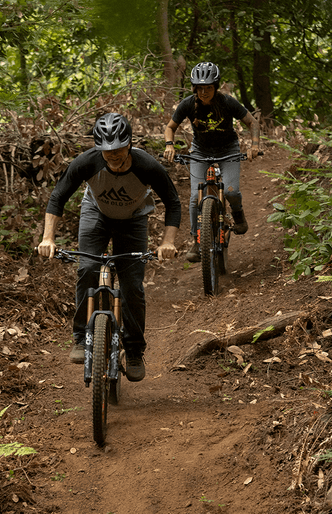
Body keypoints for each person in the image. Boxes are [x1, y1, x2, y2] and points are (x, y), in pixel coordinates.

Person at [38, 112, 181, 382]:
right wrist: (48, 238)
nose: (113, 156)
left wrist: (168, 242)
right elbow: (58, 197)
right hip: (96, 214)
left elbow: (173, 202)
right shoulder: (87, 162)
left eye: (118, 150)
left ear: (129, 144)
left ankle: (135, 350)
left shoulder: (147, 166)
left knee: (131, 285)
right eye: (107, 151)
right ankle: (81, 338)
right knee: (88, 268)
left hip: (134, 219)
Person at [164, 61, 260, 262]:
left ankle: (238, 214)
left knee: (231, 191)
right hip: (200, 150)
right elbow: (170, 127)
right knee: (193, 198)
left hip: (228, 148)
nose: (204, 92)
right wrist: (169, 145)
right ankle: (197, 241)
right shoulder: (189, 104)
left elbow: (252, 122)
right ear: (195, 88)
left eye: (208, 87)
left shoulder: (227, 102)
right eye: (200, 88)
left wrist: (254, 145)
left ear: (215, 88)